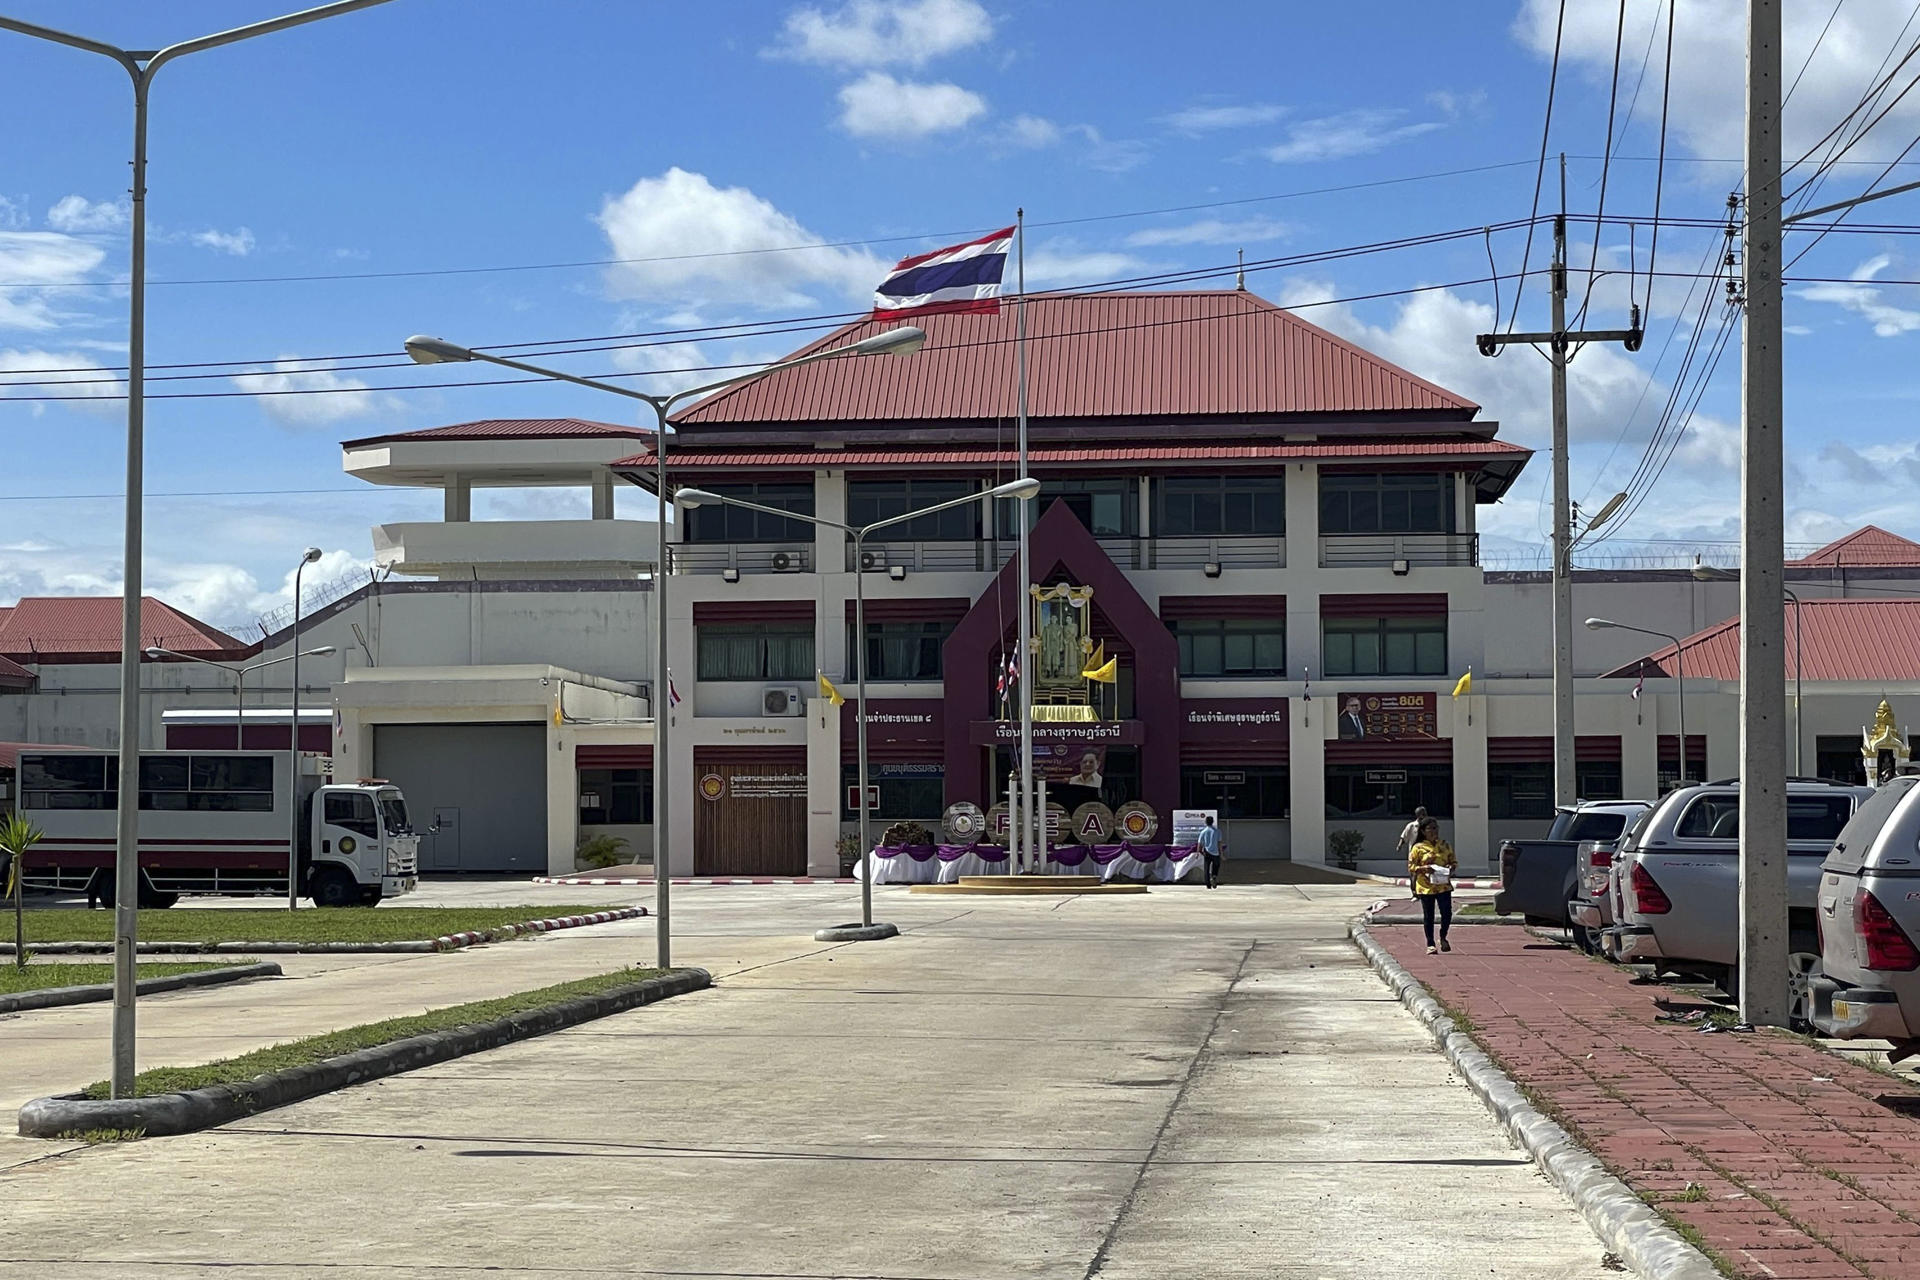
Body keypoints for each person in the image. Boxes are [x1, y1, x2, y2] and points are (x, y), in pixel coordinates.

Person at [1407, 817, 1457, 954]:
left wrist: (1450, 868)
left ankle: (1443, 936)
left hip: (1443, 885)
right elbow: (1411, 867)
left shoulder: (1445, 845)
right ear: (1423, 831)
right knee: (1428, 915)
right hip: (1425, 886)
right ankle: (1430, 944)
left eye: (1436, 828)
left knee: (1446, 912)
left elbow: (1453, 861)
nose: (1434, 831)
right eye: (1431, 829)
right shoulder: (1418, 847)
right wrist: (1424, 869)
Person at [1197, 814, 1222, 889]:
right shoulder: (1218, 831)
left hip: (1207, 852)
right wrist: (1221, 853)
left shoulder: (1203, 832)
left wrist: (1198, 852)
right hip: (1215, 852)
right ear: (1213, 822)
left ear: (1206, 822)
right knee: (1216, 865)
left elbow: (1200, 843)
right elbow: (1219, 843)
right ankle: (1214, 876)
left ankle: (1208, 884)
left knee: (1206, 868)